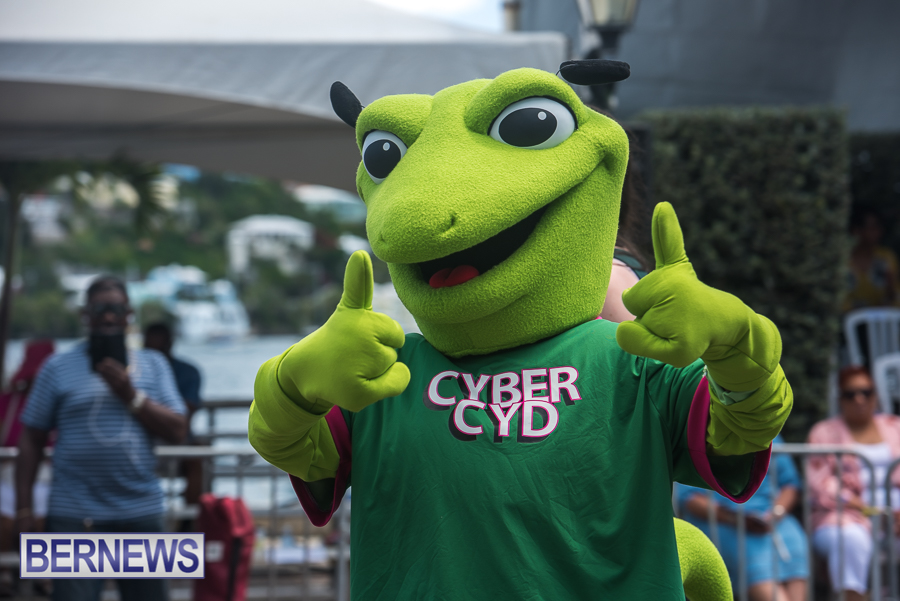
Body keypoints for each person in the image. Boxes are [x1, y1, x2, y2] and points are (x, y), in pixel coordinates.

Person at [16, 275, 187, 601]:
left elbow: (179, 429)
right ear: (85, 315)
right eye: (99, 309)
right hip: (73, 516)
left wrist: (131, 395)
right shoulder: (56, 366)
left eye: (116, 309)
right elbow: (31, 438)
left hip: (142, 512)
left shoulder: (154, 364)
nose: (108, 317)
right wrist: (24, 510)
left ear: (129, 315)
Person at [675, 434, 809, 601]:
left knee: (796, 543)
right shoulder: (695, 433)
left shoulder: (769, 431)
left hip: (774, 520)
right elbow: (689, 497)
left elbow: (790, 483)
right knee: (755, 561)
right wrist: (735, 519)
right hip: (723, 523)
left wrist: (775, 514)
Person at [807, 365, 900, 601]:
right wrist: (870, 511)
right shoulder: (823, 433)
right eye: (850, 394)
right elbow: (822, 486)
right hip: (844, 515)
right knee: (850, 539)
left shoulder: (895, 426)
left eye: (866, 392)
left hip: (895, 516)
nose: (859, 399)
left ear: (875, 394)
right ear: (840, 398)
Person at [0, 340, 54, 597]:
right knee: (5, 517)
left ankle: (43, 572)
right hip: (9, 473)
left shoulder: (60, 401)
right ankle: (5, 570)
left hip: (47, 475)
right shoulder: (8, 402)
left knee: (45, 514)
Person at [143, 322, 204, 523]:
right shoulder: (135, 372)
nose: (156, 357)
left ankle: (189, 523)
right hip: (142, 438)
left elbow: (182, 420)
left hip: (173, 436)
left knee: (198, 454)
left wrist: (146, 409)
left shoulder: (187, 372)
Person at [844, 209, 900, 313]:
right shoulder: (843, 261)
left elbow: (895, 296)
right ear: (856, 231)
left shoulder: (885, 258)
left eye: (878, 227)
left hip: (881, 319)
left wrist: (891, 293)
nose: (878, 231)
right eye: (872, 227)